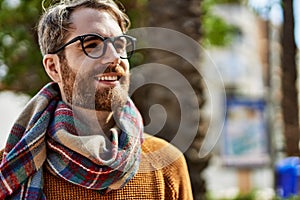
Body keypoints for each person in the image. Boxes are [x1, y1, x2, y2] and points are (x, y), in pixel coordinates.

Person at [0, 0, 193, 199]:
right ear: (53, 67)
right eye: (91, 45)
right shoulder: (10, 170)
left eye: (119, 45)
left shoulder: (167, 164)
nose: (114, 57)